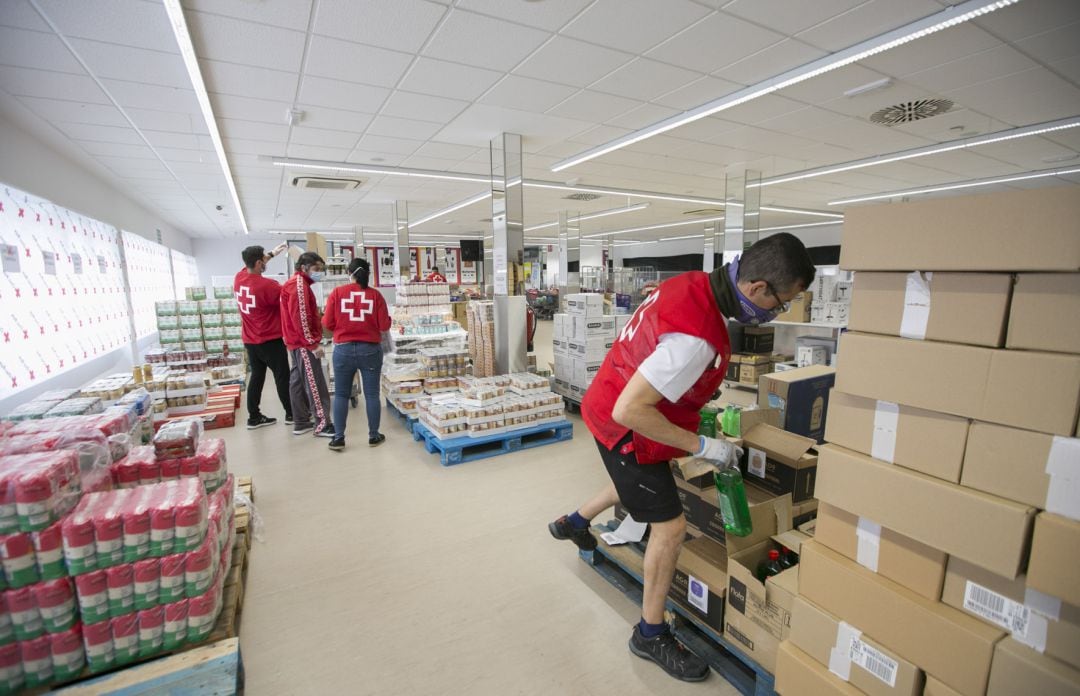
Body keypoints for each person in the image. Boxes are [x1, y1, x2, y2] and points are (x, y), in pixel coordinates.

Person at [548, 233, 815, 682]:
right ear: (757, 290)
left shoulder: (693, 284)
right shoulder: (697, 338)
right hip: (624, 422)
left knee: (640, 483)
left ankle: (573, 523)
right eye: (780, 304)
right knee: (669, 527)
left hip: (605, 397)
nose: (777, 313)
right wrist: (704, 446)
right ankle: (649, 633)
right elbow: (631, 411)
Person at [321, 258, 391, 451]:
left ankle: (338, 437)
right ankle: (374, 435)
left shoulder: (337, 293)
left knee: (342, 395)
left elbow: (327, 323)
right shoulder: (375, 296)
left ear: (349, 272)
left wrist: (342, 327)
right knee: (371, 395)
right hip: (370, 350)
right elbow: (384, 326)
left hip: (342, 350)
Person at [234, 243, 293, 429]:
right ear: (259, 263)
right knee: (282, 377)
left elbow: (257, 262)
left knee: (257, 377)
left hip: (250, 340)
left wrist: (273, 254)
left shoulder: (239, 277)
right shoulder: (268, 286)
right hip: (270, 340)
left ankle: (254, 417)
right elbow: (290, 295)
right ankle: (292, 414)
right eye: (263, 260)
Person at [280, 251, 335, 438]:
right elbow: (301, 318)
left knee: (297, 381)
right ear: (304, 268)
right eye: (316, 269)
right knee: (315, 383)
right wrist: (312, 344)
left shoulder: (296, 284)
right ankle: (322, 424)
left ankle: (301, 421)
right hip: (303, 343)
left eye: (321, 269)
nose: (319, 273)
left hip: (295, 342)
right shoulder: (299, 287)